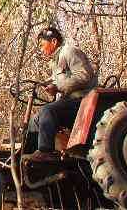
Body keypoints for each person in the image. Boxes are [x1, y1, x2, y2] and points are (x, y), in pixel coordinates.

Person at [24, 26, 98, 162]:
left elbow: (84, 75)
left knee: (48, 111)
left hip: (83, 102)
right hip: (69, 102)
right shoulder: (55, 62)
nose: (41, 49)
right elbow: (59, 83)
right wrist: (48, 87)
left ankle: (45, 151)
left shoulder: (69, 52)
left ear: (53, 41)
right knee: (35, 120)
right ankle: (27, 156)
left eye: (42, 45)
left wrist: (57, 87)